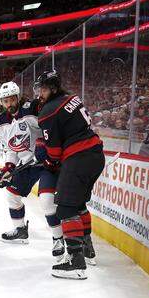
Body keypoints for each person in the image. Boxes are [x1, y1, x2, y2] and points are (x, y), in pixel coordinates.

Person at [35, 70, 104, 279]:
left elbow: (54, 152)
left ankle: (76, 263)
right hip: (95, 155)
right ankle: (86, 248)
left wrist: (48, 160)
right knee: (78, 205)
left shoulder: (48, 110)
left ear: (53, 88)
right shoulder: (72, 98)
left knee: (64, 208)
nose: (40, 93)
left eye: (44, 89)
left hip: (78, 158)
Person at [0, 82, 65, 260]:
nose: (9, 104)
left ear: (18, 97)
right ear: (1, 103)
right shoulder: (1, 123)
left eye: (11, 99)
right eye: (5, 101)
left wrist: (44, 147)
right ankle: (20, 230)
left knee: (47, 201)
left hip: (46, 161)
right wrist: (9, 167)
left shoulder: (32, 108)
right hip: (26, 164)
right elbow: (11, 149)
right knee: (12, 194)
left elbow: (49, 128)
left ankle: (58, 238)